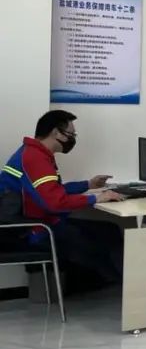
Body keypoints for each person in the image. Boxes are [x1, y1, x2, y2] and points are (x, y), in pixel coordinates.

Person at [0, 110, 125, 285]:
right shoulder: (35, 158)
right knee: (97, 244)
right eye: (71, 134)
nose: (73, 139)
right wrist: (95, 199)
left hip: (38, 223)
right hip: (33, 231)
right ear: (56, 133)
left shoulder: (34, 153)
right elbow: (54, 203)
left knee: (109, 231)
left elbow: (51, 191)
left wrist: (88, 184)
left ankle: (123, 285)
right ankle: (125, 288)